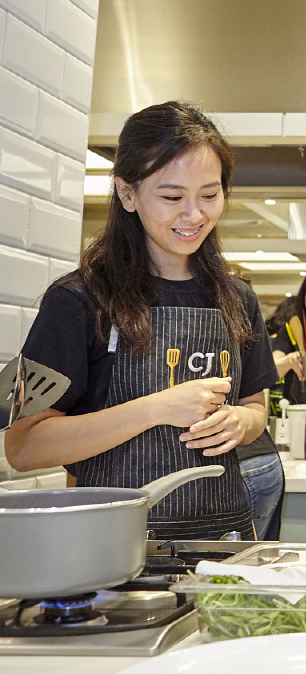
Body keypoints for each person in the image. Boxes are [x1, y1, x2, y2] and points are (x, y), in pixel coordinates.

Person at [5, 102, 278, 540]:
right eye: (172, 197)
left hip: (224, 541)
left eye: (210, 195)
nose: (194, 215)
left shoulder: (237, 298)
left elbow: (255, 408)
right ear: (127, 193)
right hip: (113, 546)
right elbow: (23, 446)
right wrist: (156, 409)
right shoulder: (76, 300)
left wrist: (241, 423)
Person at [270, 267, 306, 406]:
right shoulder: (292, 329)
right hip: (298, 408)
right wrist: (289, 361)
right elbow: (271, 370)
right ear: (303, 298)